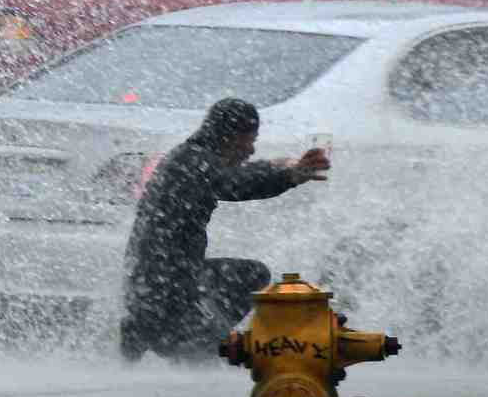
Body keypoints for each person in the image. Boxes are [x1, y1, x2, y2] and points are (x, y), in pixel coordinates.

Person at [120, 98, 331, 361]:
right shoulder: (196, 164)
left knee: (251, 274)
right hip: (168, 291)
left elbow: (230, 174)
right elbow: (235, 184)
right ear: (231, 137)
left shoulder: (188, 158)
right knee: (209, 366)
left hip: (158, 281)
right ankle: (185, 335)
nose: (251, 150)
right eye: (250, 141)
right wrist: (290, 176)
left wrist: (278, 165)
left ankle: (172, 330)